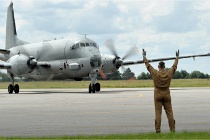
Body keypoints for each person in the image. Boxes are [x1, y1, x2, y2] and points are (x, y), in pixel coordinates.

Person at [142, 49, 179, 133]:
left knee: (158, 113)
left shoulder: (155, 73)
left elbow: (148, 66)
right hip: (166, 94)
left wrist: (144, 57)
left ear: (159, 67)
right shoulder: (168, 73)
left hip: (157, 94)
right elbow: (174, 67)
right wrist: (177, 58)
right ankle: (172, 129)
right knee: (169, 112)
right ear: (164, 67)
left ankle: (158, 129)